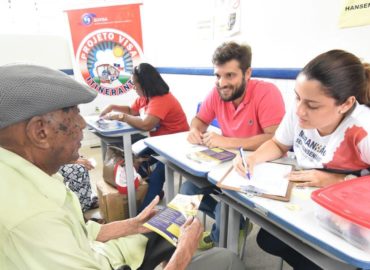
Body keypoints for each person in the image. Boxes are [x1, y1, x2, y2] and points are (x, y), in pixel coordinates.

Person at [0, 64, 246, 270]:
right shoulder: (33, 219)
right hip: (104, 260)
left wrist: (133, 223)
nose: (83, 123)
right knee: (225, 259)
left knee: (166, 220)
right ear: (40, 131)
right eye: (73, 113)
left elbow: (81, 233)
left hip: (100, 253)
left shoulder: (28, 174)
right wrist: (183, 253)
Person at [235, 49, 370, 270]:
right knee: (269, 239)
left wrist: (335, 181)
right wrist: (254, 158)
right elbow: (278, 144)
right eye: (297, 97)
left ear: (346, 104)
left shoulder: (363, 129)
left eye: (312, 105)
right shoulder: (298, 112)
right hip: (305, 201)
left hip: (348, 214)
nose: (299, 110)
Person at [181, 41, 285, 249]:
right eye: (218, 76)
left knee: (223, 209)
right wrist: (194, 130)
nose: (222, 83)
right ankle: (234, 225)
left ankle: (222, 242)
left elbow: (275, 138)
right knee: (188, 189)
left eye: (230, 75)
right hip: (225, 165)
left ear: (247, 73)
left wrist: (228, 142)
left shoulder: (267, 92)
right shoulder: (217, 92)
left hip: (257, 169)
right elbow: (199, 121)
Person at [100, 63, 190, 212]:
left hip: (176, 147)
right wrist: (112, 106)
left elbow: (146, 124)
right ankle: (151, 195)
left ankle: (142, 216)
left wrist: (120, 116)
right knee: (132, 162)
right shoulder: (145, 97)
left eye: (135, 83)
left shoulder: (162, 99)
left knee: (156, 176)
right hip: (159, 144)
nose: (133, 87)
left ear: (145, 83)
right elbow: (132, 111)